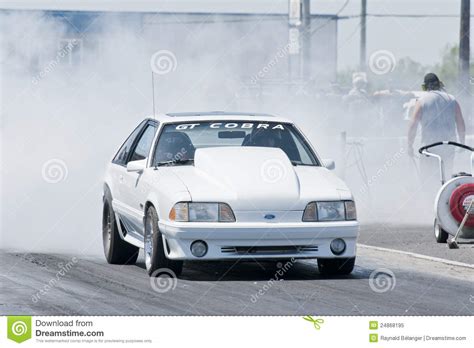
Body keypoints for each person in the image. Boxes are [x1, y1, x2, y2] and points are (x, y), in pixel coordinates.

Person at [407, 73, 465, 181]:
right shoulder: (452, 99)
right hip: (449, 146)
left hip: (429, 148)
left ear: (425, 86)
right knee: (446, 176)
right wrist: (462, 142)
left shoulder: (422, 101)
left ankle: (429, 196)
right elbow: (460, 122)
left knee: (427, 178)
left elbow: (413, 124)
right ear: (440, 84)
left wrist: (409, 145)